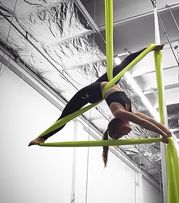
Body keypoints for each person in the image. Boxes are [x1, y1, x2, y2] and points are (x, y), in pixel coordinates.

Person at [29, 46, 171, 166]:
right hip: (106, 84)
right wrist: (166, 131)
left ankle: (42, 137)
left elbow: (143, 123)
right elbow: (149, 120)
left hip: (90, 93)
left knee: (65, 117)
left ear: (117, 126)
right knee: (123, 67)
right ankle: (42, 138)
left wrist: (163, 134)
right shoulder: (129, 111)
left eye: (120, 134)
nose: (125, 134)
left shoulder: (120, 113)